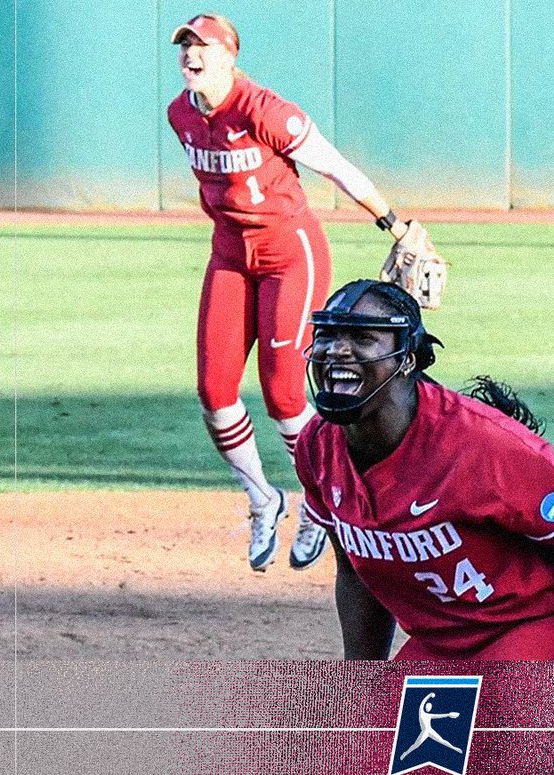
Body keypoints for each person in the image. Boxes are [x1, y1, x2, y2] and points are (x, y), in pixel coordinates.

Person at [167, 13, 421, 572]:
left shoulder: (266, 112)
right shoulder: (180, 114)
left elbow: (334, 166)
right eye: (184, 46)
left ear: (229, 56)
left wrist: (395, 223)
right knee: (213, 390)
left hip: (290, 252)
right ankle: (263, 497)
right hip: (230, 253)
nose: (190, 55)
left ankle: (319, 501)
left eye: (202, 46)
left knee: (284, 392)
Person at [294, 280, 554, 661]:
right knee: (383, 723)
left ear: (407, 358)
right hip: (440, 645)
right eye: (326, 336)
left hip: (529, 624)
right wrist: (361, 685)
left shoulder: (487, 446)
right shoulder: (317, 447)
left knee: (508, 718)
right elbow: (354, 574)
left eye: (362, 338)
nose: (336, 349)